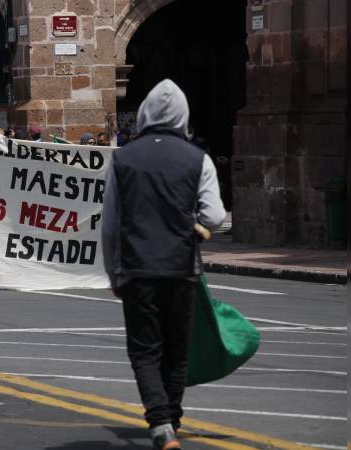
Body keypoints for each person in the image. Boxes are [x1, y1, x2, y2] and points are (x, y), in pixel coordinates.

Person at [101, 79, 225, 450]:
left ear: (144, 114)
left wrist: (113, 272)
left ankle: (160, 424)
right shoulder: (197, 158)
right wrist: (194, 224)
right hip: (181, 268)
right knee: (176, 350)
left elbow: (110, 225)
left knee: (144, 351)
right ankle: (172, 418)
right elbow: (215, 216)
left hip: (137, 269)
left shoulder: (123, 159)